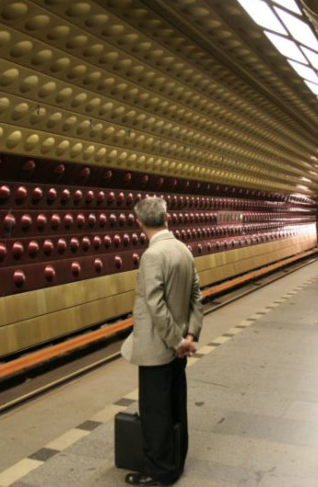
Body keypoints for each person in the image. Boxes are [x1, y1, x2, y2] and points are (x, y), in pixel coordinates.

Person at [120, 196, 203, 486]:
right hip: (177, 349)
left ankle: (159, 473)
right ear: (167, 217)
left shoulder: (152, 256)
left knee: (155, 412)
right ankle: (175, 461)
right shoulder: (183, 249)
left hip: (159, 348)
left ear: (139, 223)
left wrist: (178, 341)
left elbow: (155, 306)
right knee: (175, 404)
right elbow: (196, 296)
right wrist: (190, 335)